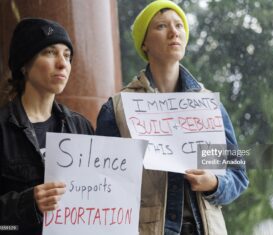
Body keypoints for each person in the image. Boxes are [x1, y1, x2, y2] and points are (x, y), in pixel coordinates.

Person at [96, 0, 249, 234]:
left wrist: (214, 184)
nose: (174, 32)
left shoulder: (209, 105)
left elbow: (238, 175)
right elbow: (105, 186)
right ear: (144, 43)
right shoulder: (118, 109)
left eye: (179, 25)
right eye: (161, 26)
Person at [0, 18, 94, 234]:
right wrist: (28, 203)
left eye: (67, 56)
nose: (62, 63)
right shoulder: (3, 129)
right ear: (24, 65)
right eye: (50, 52)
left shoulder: (81, 127)